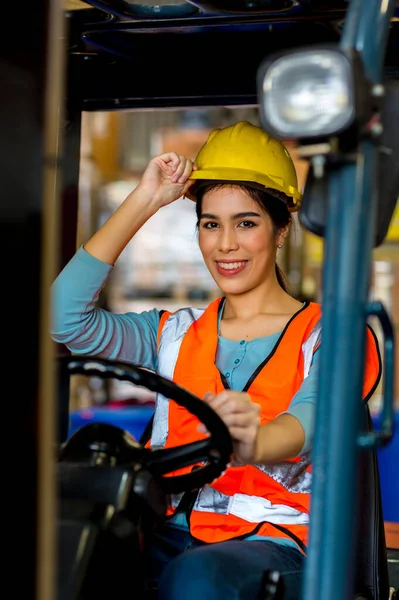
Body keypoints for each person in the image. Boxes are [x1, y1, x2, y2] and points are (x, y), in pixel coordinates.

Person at [51, 121, 381, 599]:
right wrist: (145, 200)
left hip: (275, 546)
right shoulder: (173, 333)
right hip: (165, 534)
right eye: (211, 223)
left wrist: (254, 441)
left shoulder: (334, 336)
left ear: (282, 226)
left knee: (196, 580)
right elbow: (64, 320)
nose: (225, 244)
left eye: (246, 222)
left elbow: (305, 425)